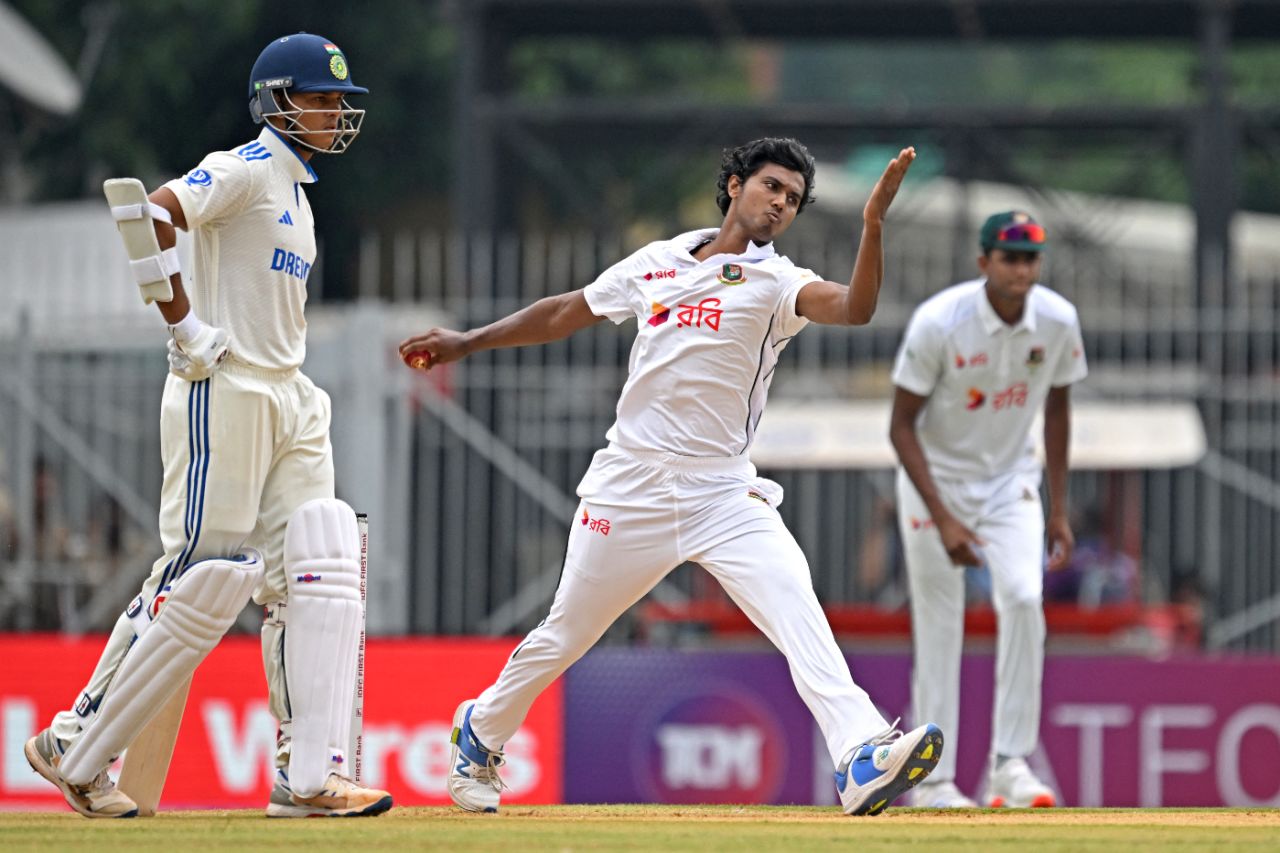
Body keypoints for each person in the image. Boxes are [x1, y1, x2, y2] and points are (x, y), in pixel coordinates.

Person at [400, 137, 943, 817]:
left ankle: (860, 753)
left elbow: (854, 308)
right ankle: (481, 730)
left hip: (723, 492)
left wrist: (872, 226)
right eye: (772, 187)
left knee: (796, 607)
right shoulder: (657, 262)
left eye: (794, 200)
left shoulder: (778, 282)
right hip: (630, 489)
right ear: (737, 183)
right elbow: (567, 312)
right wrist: (468, 340)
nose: (780, 205)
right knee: (566, 632)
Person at [24, 33, 392, 819]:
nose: (334, 113)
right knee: (196, 575)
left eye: (338, 101)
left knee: (309, 568)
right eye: (320, 98)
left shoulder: (298, 192)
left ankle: (305, 772)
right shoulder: (247, 169)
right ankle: (73, 734)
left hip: (291, 389)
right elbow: (148, 212)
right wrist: (184, 323)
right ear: (276, 102)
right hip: (223, 385)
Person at [888, 211, 1087, 808]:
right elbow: (900, 427)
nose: (1021, 269)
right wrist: (944, 516)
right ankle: (934, 782)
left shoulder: (1057, 321)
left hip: (1009, 483)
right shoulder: (940, 322)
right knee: (940, 621)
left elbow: (1057, 410)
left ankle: (1009, 765)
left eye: (1030, 258)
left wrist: (1058, 509)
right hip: (936, 482)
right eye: (1008, 257)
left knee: (1025, 598)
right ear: (983, 262)